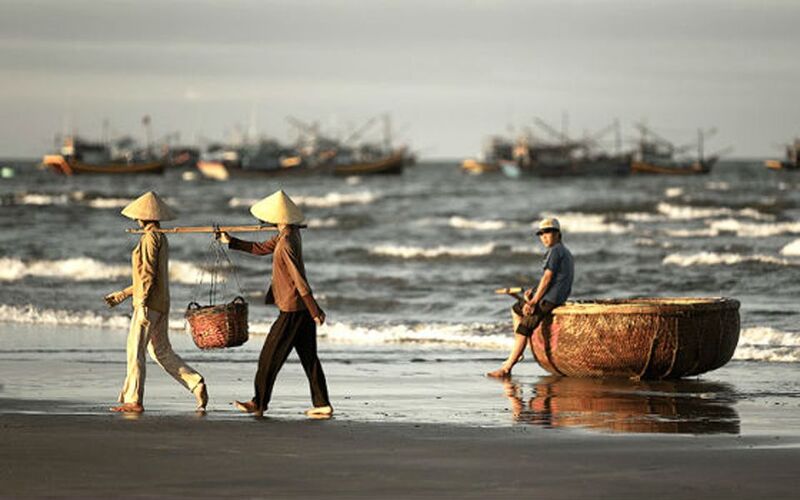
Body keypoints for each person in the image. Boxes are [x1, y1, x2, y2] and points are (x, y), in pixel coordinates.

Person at [217, 190, 332, 418]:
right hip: (298, 309)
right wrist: (231, 241)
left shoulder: (287, 241)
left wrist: (314, 309)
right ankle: (322, 404)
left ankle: (259, 402)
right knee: (309, 357)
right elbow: (261, 249)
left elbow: (298, 279)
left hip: (293, 309)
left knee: (269, 357)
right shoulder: (288, 235)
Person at [104, 191, 208, 413]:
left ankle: (134, 400)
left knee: (135, 350)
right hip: (160, 303)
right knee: (160, 351)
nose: (136, 220)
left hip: (149, 304)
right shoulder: (160, 237)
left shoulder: (150, 238)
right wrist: (122, 294)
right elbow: (146, 277)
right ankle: (195, 383)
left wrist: (141, 303)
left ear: (143, 217)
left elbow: (148, 275)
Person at [487, 217, 574, 378]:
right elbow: (554, 279)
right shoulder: (564, 251)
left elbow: (548, 278)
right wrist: (533, 292)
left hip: (549, 300)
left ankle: (507, 368)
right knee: (516, 309)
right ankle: (518, 351)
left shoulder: (555, 251)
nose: (544, 236)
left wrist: (534, 301)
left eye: (548, 232)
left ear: (558, 234)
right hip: (552, 297)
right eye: (541, 234)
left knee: (524, 328)